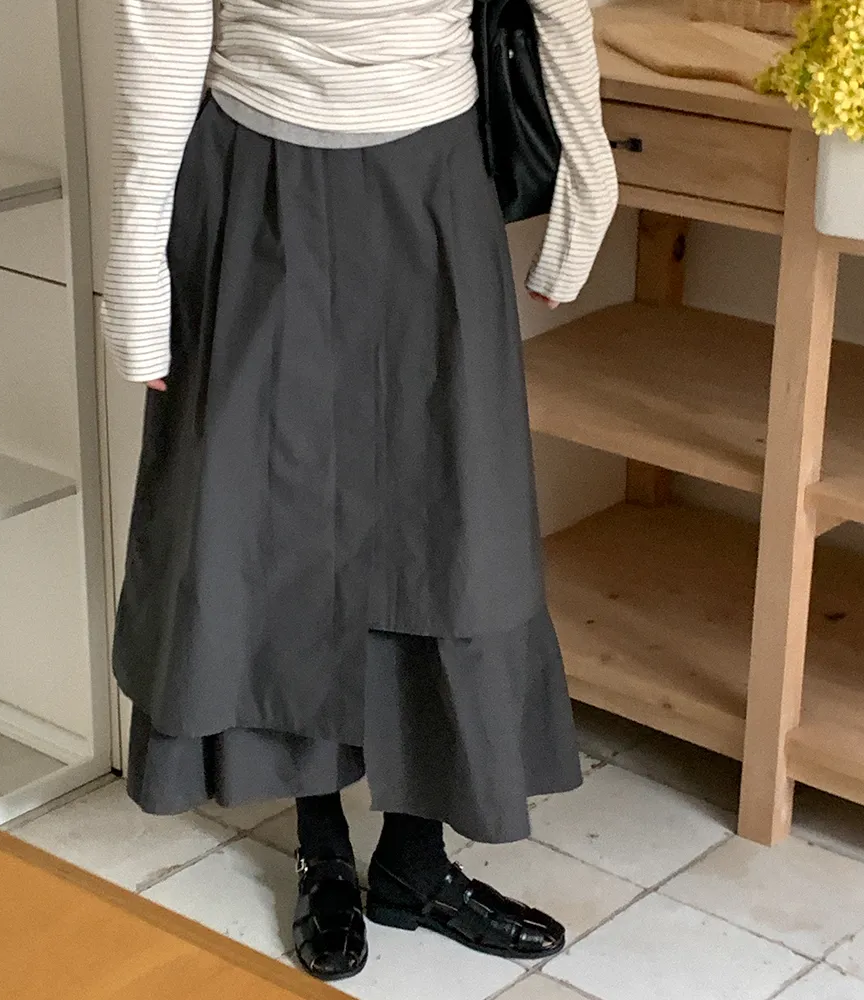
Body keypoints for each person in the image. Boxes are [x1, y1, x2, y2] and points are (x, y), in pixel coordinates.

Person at [103, 0, 618, 982]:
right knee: (280, 524)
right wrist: (134, 270)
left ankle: (415, 866)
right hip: (250, 174)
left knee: (444, 525)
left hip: (431, 175)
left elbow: (557, 6)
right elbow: (162, 32)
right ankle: (323, 852)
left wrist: (587, 191)